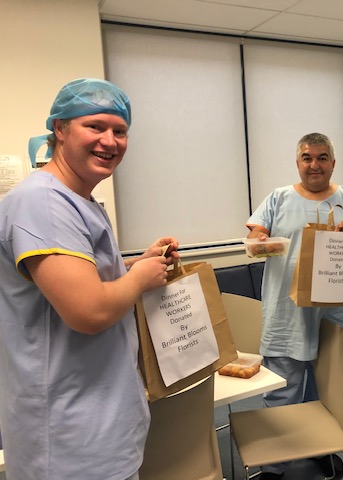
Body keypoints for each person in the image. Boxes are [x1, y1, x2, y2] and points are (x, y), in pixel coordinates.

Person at [0, 78, 179, 479]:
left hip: (97, 417)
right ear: (59, 130)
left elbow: (89, 281)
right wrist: (141, 279)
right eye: (95, 126)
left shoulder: (79, 200)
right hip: (68, 437)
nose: (110, 141)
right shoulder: (42, 201)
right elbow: (88, 310)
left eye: (120, 131)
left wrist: (136, 267)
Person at [246, 132, 343, 480]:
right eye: (307, 158)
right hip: (287, 314)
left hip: (335, 314)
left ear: (333, 163)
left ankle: (322, 449)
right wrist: (259, 241)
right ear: (298, 163)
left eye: (322, 157)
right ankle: (274, 465)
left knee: (329, 389)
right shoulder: (277, 199)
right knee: (283, 389)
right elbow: (254, 239)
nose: (315, 164)